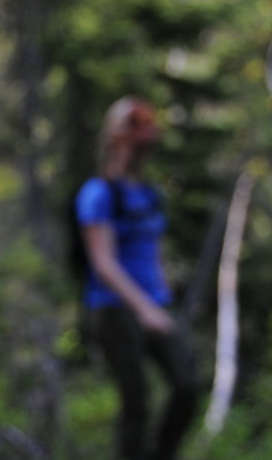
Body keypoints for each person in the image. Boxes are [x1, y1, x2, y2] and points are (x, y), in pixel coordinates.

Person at [75, 97, 200, 460]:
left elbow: (155, 251)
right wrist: (144, 309)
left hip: (157, 303)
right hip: (114, 308)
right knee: (137, 402)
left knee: (187, 385)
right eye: (133, 124)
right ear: (114, 134)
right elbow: (103, 263)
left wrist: (162, 299)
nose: (143, 133)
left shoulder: (150, 195)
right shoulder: (98, 193)